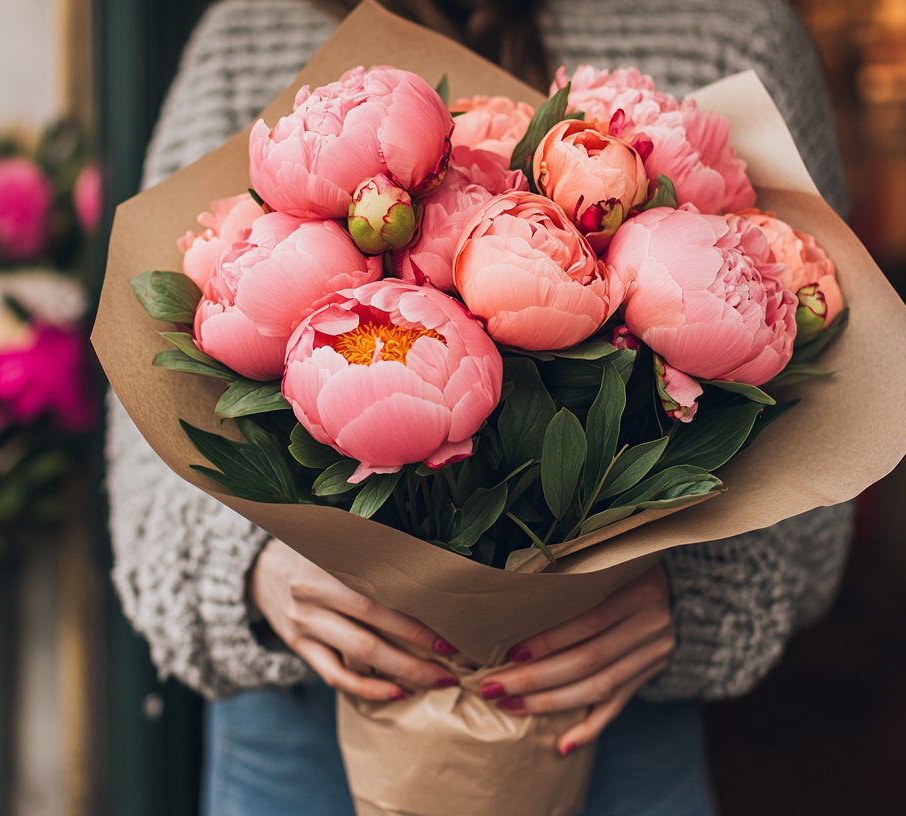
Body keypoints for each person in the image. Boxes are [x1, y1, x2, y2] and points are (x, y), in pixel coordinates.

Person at [106, 1, 854, 814]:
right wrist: (249, 573)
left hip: (615, 715)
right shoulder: (251, 31)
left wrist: (698, 597)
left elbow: (834, 413)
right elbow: (142, 409)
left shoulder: (733, 25)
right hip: (302, 726)